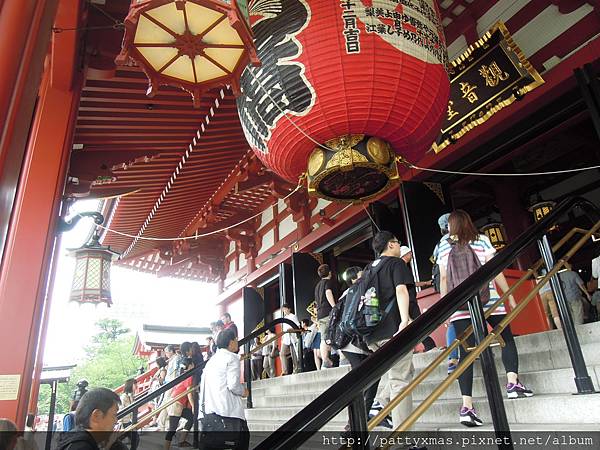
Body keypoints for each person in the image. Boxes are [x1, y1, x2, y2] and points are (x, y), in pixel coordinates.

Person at [438, 210, 533, 427]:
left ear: (450, 226)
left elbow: (444, 277)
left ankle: (467, 407)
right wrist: (508, 296)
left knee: (465, 355)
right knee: (506, 339)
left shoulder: (444, 246)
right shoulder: (481, 240)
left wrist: (446, 307)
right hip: (490, 300)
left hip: (461, 305)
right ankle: (512, 384)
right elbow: (495, 269)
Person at [364, 231, 415, 430]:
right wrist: (405, 321)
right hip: (392, 329)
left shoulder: (369, 268)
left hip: (372, 332)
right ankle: (402, 436)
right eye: (398, 242)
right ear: (391, 244)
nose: (399, 245)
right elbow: (401, 291)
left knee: (400, 371)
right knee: (400, 380)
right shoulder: (396, 264)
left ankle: (380, 403)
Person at [339, 266, 390, 430]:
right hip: (354, 342)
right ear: (353, 279)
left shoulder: (348, 293)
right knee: (367, 379)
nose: (365, 276)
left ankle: (364, 417)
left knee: (369, 379)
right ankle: (355, 423)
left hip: (352, 342)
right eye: (361, 275)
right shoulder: (357, 290)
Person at [199, 328, 249, 450]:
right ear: (231, 342)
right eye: (236, 339)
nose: (237, 342)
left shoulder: (211, 361)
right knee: (242, 440)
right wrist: (244, 391)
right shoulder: (232, 358)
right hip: (227, 414)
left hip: (209, 414)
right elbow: (233, 385)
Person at [56, 388, 121, 450]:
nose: (116, 421)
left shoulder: (74, 440)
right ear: (96, 416)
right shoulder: (81, 447)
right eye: (114, 415)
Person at [399, 246, 437, 352]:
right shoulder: (401, 267)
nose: (411, 255)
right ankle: (429, 345)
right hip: (409, 301)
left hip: (407, 301)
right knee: (419, 323)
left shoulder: (401, 267)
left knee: (413, 324)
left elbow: (410, 283)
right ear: (405, 254)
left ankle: (415, 347)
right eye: (410, 253)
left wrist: (425, 283)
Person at [164, 359, 196, 450]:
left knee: (192, 417)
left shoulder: (182, 375)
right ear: (191, 365)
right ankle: (166, 448)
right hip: (176, 404)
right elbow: (189, 392)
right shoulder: (189, 376)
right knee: (172, 428)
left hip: (176, 403)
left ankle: (182, 441)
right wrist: (193, 405)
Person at [314, 264, 337, 368]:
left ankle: (325, 361)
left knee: (324, 338)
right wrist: (334, 307)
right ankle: (342, 358)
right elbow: (328, 293)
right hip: (328, 312)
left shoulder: (317, 286)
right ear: (330, 273)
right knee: (336, 333)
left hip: (320, 314)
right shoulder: (328, 282)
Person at [119, 379, 139, 450]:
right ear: (130, 385)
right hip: (124, 422)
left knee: (135, 439)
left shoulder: (131, 396)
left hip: (129, 421)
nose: (136, 386)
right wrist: (120, 425)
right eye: (135, 384)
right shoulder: (123, 397)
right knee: (135, 439)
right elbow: (120, 410)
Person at [280, 303, 300, 375]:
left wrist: (291, 329)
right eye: (283, 309)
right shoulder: (284, 318)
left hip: (292, 337)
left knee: (294, 354)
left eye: (285, 309)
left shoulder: (293, 316)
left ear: (289, 309)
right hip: (285, 338)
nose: (284, 310)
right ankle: (285, 371)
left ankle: (296, 369)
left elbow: (297, 326)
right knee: (282, 353)